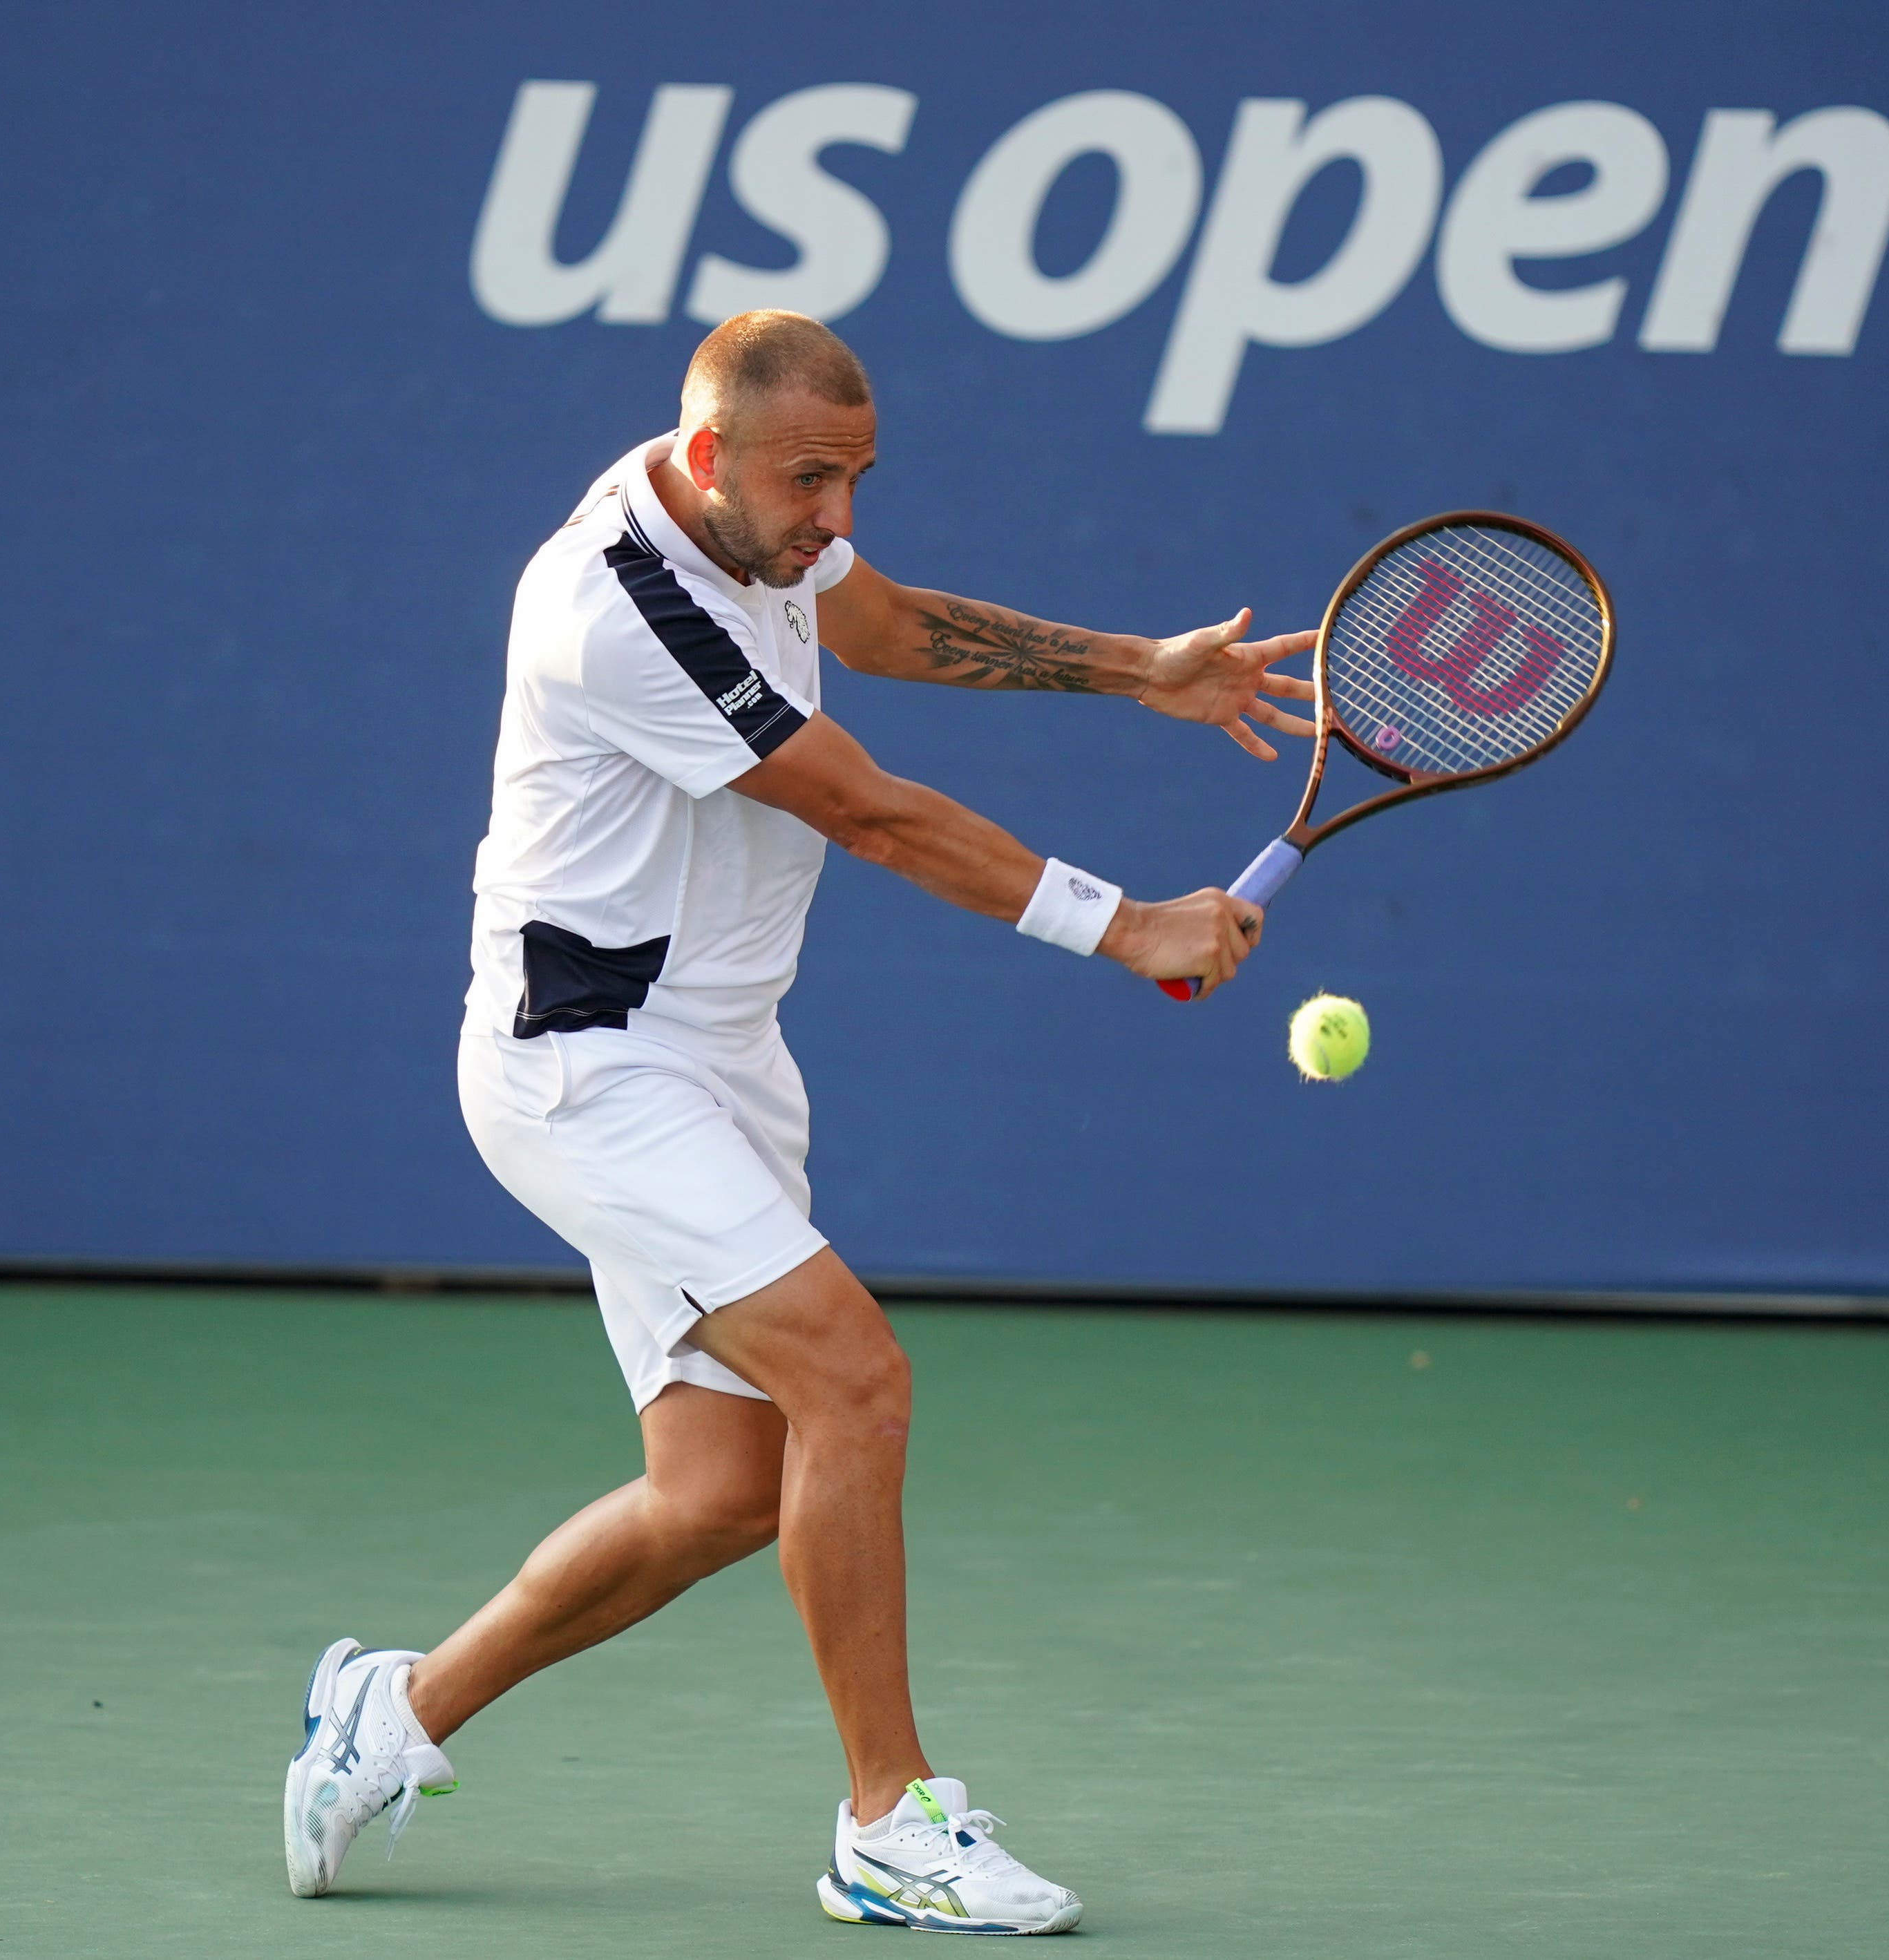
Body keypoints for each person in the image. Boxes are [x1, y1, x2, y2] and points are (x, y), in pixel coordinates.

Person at [283, 308, 1313, 1933]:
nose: (838, 517)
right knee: (859, 1377)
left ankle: (392, 1710)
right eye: (810, 481)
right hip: (587, 1066)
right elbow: (873, 813)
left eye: (859, 478)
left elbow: (891, 621)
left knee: (715, 1495)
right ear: (709, 461)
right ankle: (888, 1822)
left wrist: (1144, 671)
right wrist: (1130, 927)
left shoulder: (770, 532)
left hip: (719, 1062)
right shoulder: (612, 606)